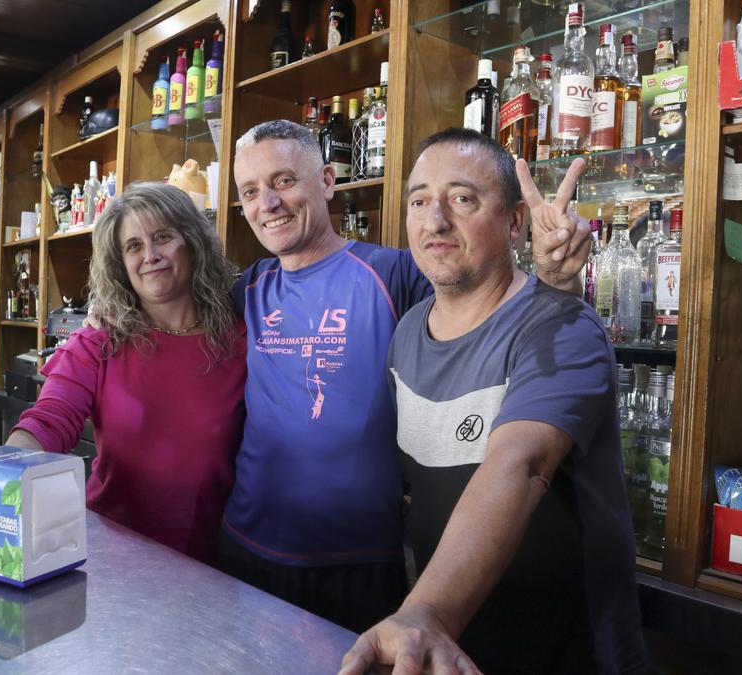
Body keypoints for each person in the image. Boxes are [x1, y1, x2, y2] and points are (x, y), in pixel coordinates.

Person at [221, 120, 592, 633]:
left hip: (361, 559)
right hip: (247, 545)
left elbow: (501, 305)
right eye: (250, 192)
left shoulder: (396, 272)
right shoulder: (248, 289)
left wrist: (558, 279)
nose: (269, 203)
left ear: (328, 181)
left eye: (284, 181)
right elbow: (169, 321)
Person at [339, 129, 647, 674]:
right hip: (459, 647)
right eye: (419, 201)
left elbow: (521, 464)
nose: (434, 221)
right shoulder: (409, 332)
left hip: (567, 653)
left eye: (462, 199)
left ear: (513, 222)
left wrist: (427, 612)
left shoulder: (562, 327)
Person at [6, 182, 246, 562]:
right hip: (111, 554)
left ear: (193, 241)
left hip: (214, 564)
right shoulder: (101, 339)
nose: (149, 255)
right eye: (133, 246)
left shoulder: (240, 340)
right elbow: (50, 418)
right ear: (121, 263)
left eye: (162, 237)